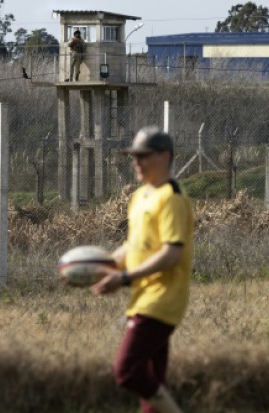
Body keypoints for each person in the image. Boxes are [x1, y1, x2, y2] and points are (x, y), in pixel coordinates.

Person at [92, 126, 194, 413]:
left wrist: (124, 278)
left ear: (165, 156)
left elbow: (172, 254)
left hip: (161, 298)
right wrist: (99, 268)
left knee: (128, 371)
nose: (136, 163)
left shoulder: (172, 197)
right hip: (144, 296)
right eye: (134, 157)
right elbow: (133, 246)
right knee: (152, 384)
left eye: (144, 156)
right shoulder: (140, 197)